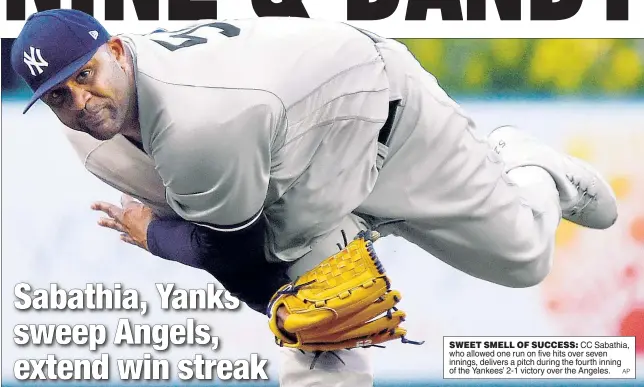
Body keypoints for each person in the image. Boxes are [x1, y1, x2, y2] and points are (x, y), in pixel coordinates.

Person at [11, 9, 618, 387]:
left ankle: (527, 163)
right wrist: (290, 302)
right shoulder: (91, 140)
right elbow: (234, 244)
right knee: (316, 332)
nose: (81, 103)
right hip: (283, 165)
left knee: (524, 261)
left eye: (85, 75)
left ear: (117, 50)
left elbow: (235, 255)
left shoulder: (199, 121)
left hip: (376, 114)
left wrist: (156, 237)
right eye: (59, 96)